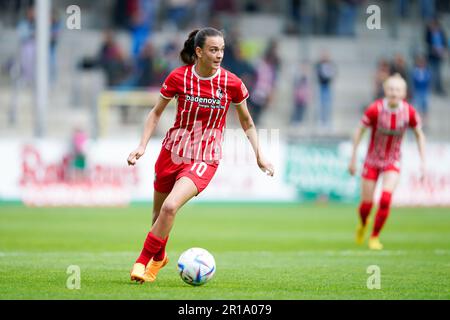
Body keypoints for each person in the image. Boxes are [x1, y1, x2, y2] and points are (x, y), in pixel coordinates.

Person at [127, 27, 275, 283]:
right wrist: (141, 145)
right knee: (158, 215)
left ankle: (141, 262)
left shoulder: (232, 83)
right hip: (171, 153)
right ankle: (160, 257)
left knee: (171, 206)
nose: (219, 55)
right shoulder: (178, 78)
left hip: (204, 157)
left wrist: (259, 155)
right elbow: (155, 113)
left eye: (222, 50)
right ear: (199, 52)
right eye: (213, 50)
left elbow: (248, 123)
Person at [348, 74, 426, 250]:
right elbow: (359, 131)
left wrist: (423, 162)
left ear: (404, 93)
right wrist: (353, 157)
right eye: (391, 89)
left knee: (385, 199)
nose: (394, 93)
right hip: (372, 160)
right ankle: (362, 224)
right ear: (385, 90)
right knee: (366, 206)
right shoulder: (375, 109)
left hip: (393, 160)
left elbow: (420, 134)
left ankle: (374, 236)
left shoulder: (409, 112)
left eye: (398, 90)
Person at [425, 18, 448, 95]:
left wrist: (443, 50)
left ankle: (439, 88)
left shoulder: (441, 33)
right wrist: (433, 49)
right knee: (431, 72)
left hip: (439, 56)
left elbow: (444, 42)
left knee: (438, 73)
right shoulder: (429, 33)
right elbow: (427, 43)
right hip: (432, 56)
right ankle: (431, 88)